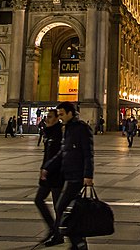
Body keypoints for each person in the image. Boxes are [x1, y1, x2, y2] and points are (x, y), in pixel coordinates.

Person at [41, 101, 94, 250]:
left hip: (77, 176)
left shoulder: (81, 128)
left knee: (61, 207)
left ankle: (77, 242)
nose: (60, 117)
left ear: (71, 113)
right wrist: (48, 167)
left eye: (62, 114)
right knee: (71, 210)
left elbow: (88, 153)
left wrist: (88, 175)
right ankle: (78, 243)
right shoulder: (68, 129)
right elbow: (62, 153)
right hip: (68, 175)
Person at [34, 109, 63, 246]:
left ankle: (58, 235)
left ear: (57, 118)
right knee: (39, 200)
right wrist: (43, 168)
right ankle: (53, 228)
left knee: (58, 207)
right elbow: (47, 154)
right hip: (47, 173)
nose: (47, 119)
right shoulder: (48, 132)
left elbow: (60, 155)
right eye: (47, 117)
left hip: (57, 174)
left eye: (50, 117)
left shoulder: (60, 133)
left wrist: (48, 167)